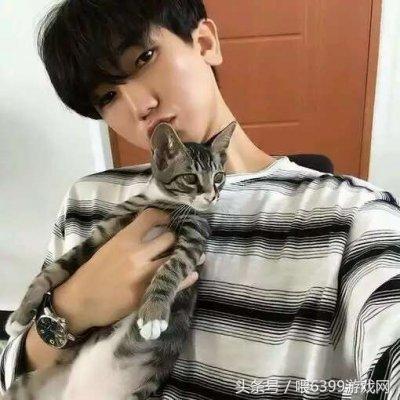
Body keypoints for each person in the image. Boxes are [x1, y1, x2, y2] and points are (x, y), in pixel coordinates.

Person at [1, 0, 400, 398]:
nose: (139, 107)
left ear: (205, 42)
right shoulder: (87, 199)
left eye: (144, 58)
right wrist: (72, 308)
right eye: (107, 97)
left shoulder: (352, 216)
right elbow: (12, 376)